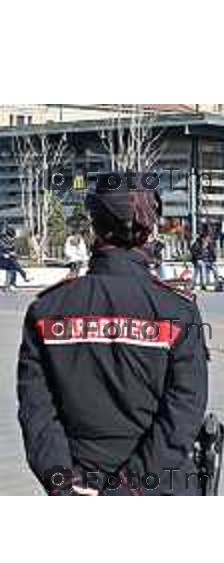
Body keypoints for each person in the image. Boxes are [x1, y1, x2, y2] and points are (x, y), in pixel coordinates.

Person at [17, 173, 209, 496]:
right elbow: (184, 414)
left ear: (93, 227)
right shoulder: (178, 311)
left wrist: (63, 484)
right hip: (160, 486)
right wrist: (128, 488)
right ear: (151, 232)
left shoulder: (47, 310)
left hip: (78, 485)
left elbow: (36, 415)